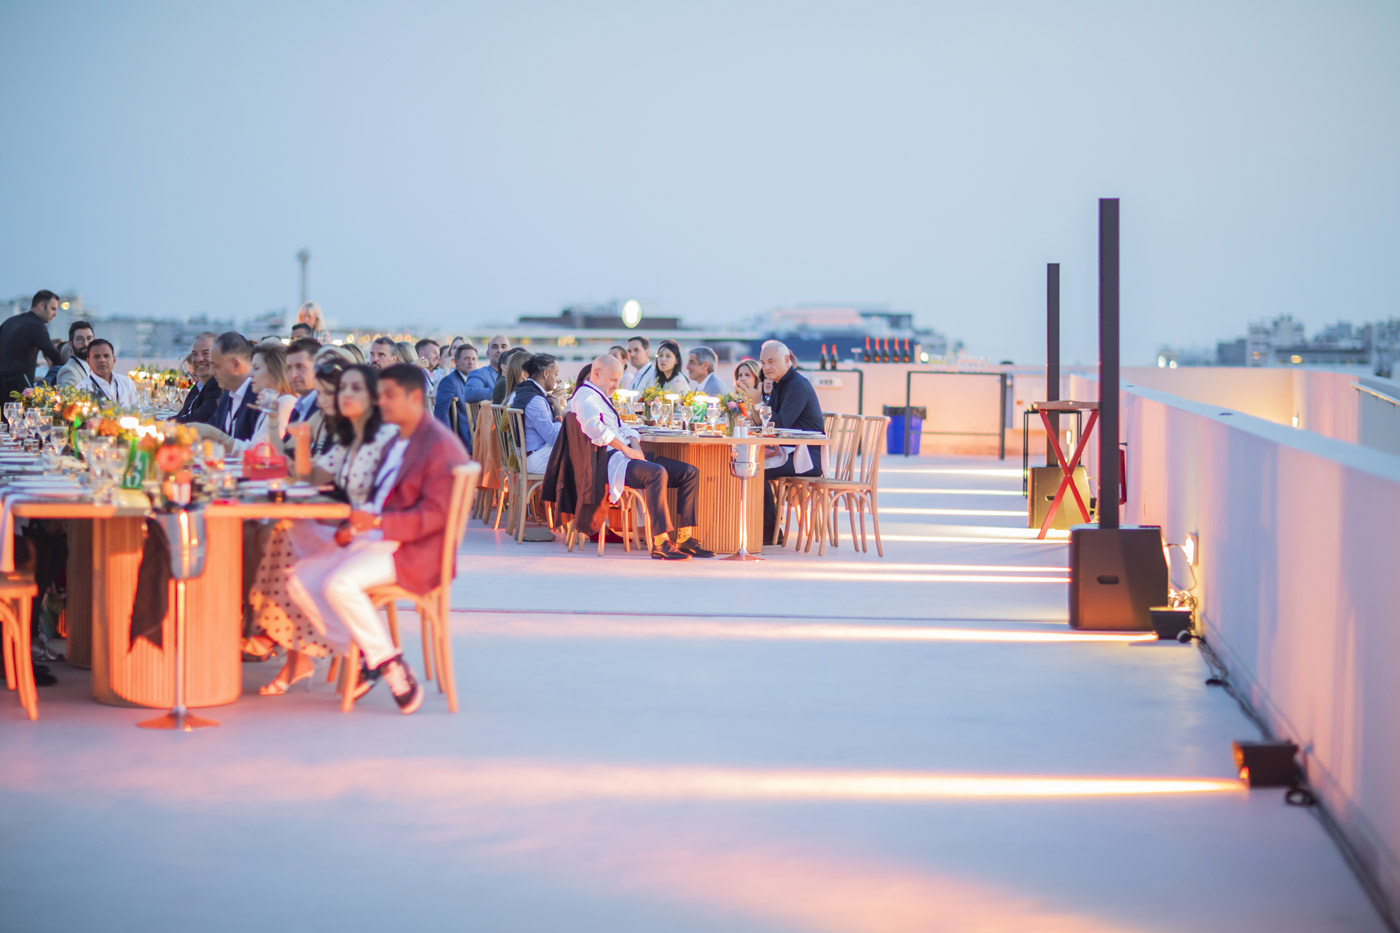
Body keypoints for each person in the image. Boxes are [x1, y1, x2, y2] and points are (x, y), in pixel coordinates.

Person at [287, 364, 470, 714]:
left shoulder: (438, 446)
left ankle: (390, 666)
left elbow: (435, 517)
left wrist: (375, 521)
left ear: (415, 398)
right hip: (378, 536)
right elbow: (382, 494)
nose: (381, 402)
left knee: (339, 583)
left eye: (389, 395)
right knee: (299, 580)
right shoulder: (401, 436)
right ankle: (366, 656)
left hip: (413, 548)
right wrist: (361, 523)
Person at [248, 364, 403, 694]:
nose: (340, 397)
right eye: (337, 390)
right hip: (349, 532)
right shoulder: (349, 438)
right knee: (285, 545)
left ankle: (288, 640)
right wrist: (299, 439)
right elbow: (310, 477)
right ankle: (356, 652)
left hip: (378, 538)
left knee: (284, 542)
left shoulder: (387, 439)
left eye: (351, 390)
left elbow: (386, 501)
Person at [566, 354, 712, 560]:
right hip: (609, 461)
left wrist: (634, 445)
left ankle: (684, 538)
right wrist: (625, 450)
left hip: (626, 456)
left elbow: (622, 427)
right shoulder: (585, 396)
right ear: (597, 373)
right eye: (614, 380)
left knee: (688, 473)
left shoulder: (600, 396)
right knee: (656, 473)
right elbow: (593, 427)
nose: (617, 385)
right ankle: (661, 542)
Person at [740, 341, 825, 543]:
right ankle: (754, 527)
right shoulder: (780, 384)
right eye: (763, 362)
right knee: (747, 466)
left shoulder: (797, 385)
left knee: (754, 470)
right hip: (788, 450)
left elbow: (778, 423)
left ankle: (770, 533)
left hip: (807, 457)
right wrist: (754, 403)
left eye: (771, 361)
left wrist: (758, 402)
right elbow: (765, 423)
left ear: (787, 360)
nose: (766, 367)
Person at [196, 342, 297, 449]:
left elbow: (259, 450)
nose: (250, 374)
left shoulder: (286, 401)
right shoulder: (272, 404)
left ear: (275, 371)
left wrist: (218, 436)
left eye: (256, 368)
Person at [0, 290, 63, 401]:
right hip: (19, 388)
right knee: (19, 417)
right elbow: (55, 357)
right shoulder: (37, 326)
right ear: (42, 306)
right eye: (53, 309)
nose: (55, 314)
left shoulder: (10, 322)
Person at [510, 353, 562, 474]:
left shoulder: (525, 391)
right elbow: (554, 438)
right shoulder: (535, 400)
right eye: (555, 374)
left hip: (532, 454)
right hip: (536, 459)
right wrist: (558, 413)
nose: (557, 379)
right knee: (580, 454)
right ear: (546, 373)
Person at [205, 332, 260, 442]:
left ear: (236, 365)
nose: (211, 372)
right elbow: (209, 429)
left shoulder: (259, 399)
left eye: (216, 366)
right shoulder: (226, 397)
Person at [432, 342, 479, 452]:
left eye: (473, 359)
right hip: (465, 440)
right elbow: (440, 413)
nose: (471, 362)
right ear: (456, 361)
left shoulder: (476, 381)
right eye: (466, 359)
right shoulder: (449, 382)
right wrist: (450, 442)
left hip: (480, 436)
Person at [175, 332, 224, 424]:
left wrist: (161, 424)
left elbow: (198, 420)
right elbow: (182, 415)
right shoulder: (198, 386)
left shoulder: (218, 385)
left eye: (206, 353)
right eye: (194, 355)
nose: (199, 359)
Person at [83, 339, 139, 407]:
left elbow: (138, 412)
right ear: (88, 361)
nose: (102, 360)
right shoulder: (82, 389)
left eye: (106, 356)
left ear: (114, 359)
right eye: (97, 357)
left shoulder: (127, 383)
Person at [284, 336, 323, 426]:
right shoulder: (297, 409)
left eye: (300, 367)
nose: (293, 375)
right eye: (289, 368)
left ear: (318, 366)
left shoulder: (324, 409)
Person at [462, 334, 509, 403]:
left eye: (503, 347)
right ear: (487, 354)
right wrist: (502, 392)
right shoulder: (480, 373)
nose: (499, 350)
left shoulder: (517, 375)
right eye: (495, 347)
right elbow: (470, 393)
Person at [55, 321, 96, 389]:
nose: (86, 344)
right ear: (70, 343)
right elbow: (68, 398)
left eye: (89, 338)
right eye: (80, 339)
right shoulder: (68, 370)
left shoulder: (93, 367)